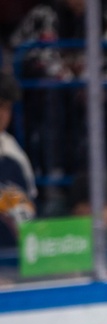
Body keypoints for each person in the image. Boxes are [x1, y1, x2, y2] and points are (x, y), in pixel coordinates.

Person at [0, 73, 36, 253]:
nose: (1, 114)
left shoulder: (15, 157)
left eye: (6, 108)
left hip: (10, 262)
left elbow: (28, 220)